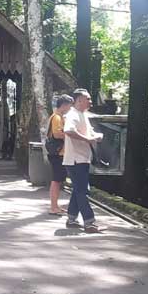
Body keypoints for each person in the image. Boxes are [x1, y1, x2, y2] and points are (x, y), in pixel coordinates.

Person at [63, 88, 104, 233]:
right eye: (88, 99)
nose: (91, 101)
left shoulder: (83, 115)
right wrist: (87, 139)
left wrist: (95, 135)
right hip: (75, 159)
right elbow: (69, 131)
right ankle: (89, 222)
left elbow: (88, 132)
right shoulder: (72, 114)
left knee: (78, 190)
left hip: (83, 158)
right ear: (79, 100)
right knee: (82, 191)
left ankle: (72, 218)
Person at [46, 95, 74, 215]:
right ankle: (53, 207)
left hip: (59, 152)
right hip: (58, 153)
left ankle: (55, 205)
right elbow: (57, 134)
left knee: (58, 179)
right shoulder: (57, 117)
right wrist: (70, 134)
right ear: (63, 105)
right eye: (69, 106)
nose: (70, 109)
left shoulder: (59, 117)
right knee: (56, 180)